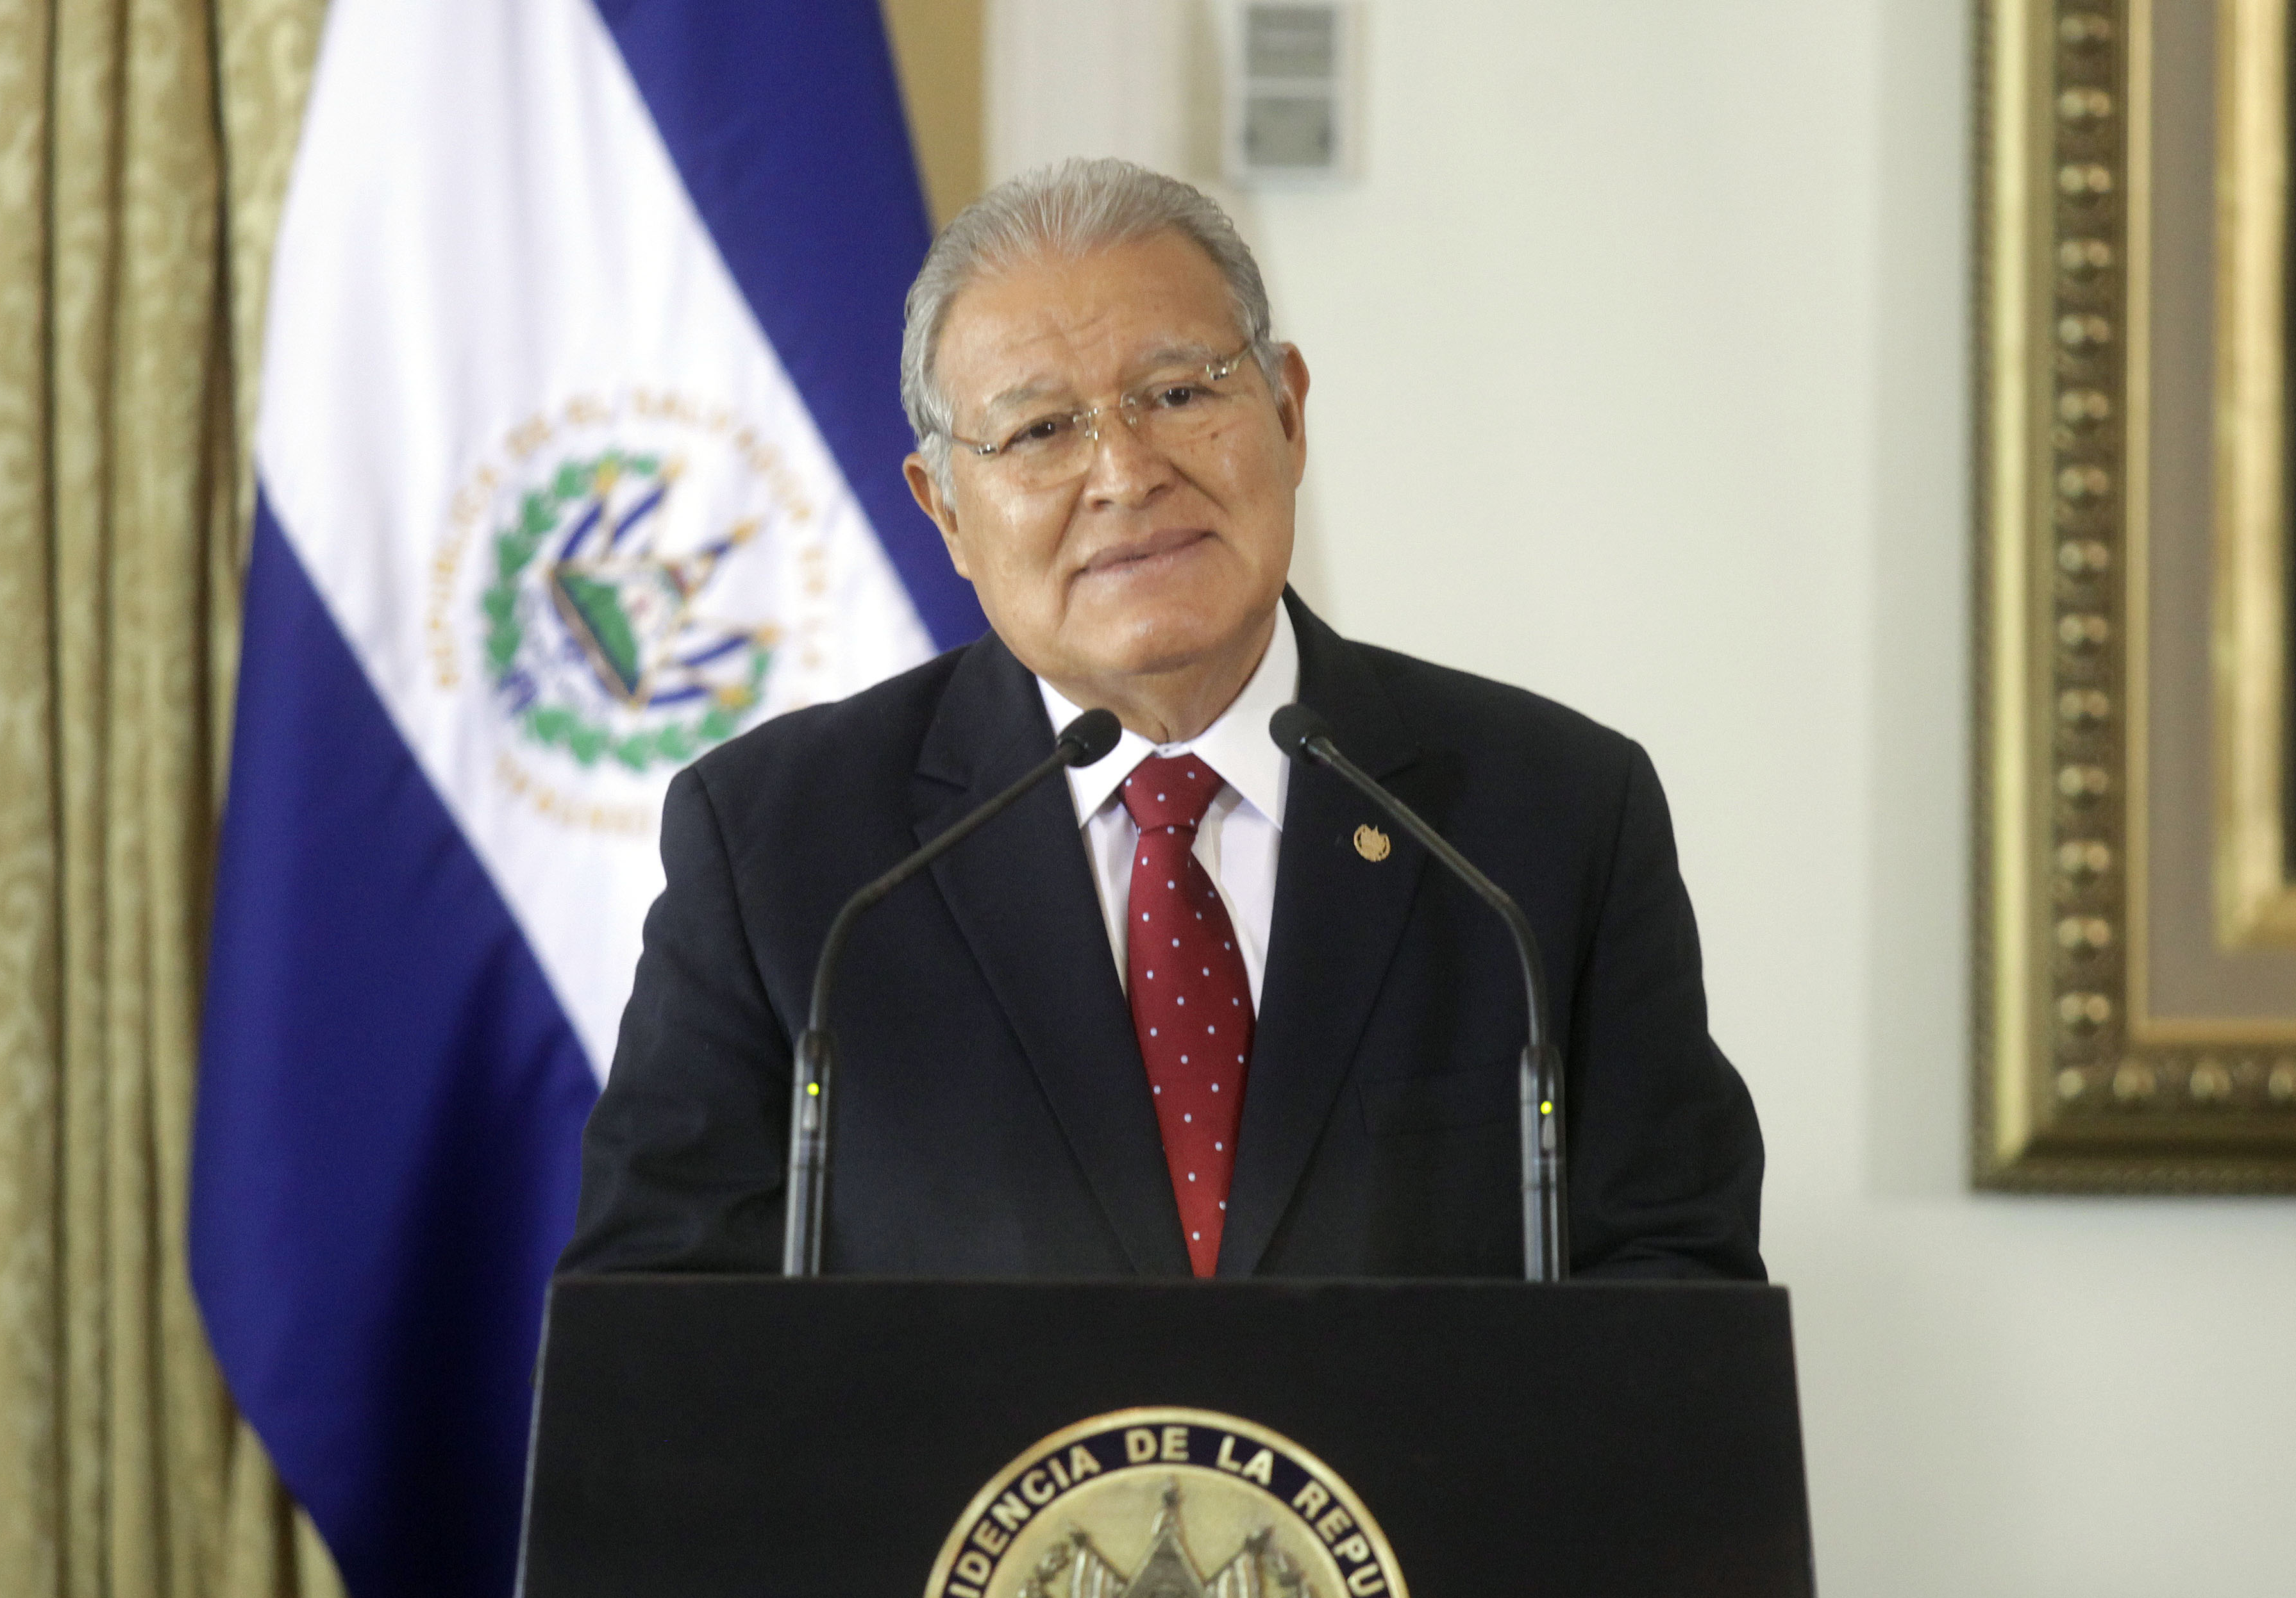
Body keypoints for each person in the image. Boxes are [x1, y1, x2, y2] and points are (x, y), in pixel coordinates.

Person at [558, 158, 1763, 1281]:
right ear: (947, 515)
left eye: (1179, 393)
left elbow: (1674, 1294)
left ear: (1288, 415)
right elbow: (661, 1337)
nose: (1127, 474)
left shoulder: (1545, 821)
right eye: (1039, 431)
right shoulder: (786, 852)